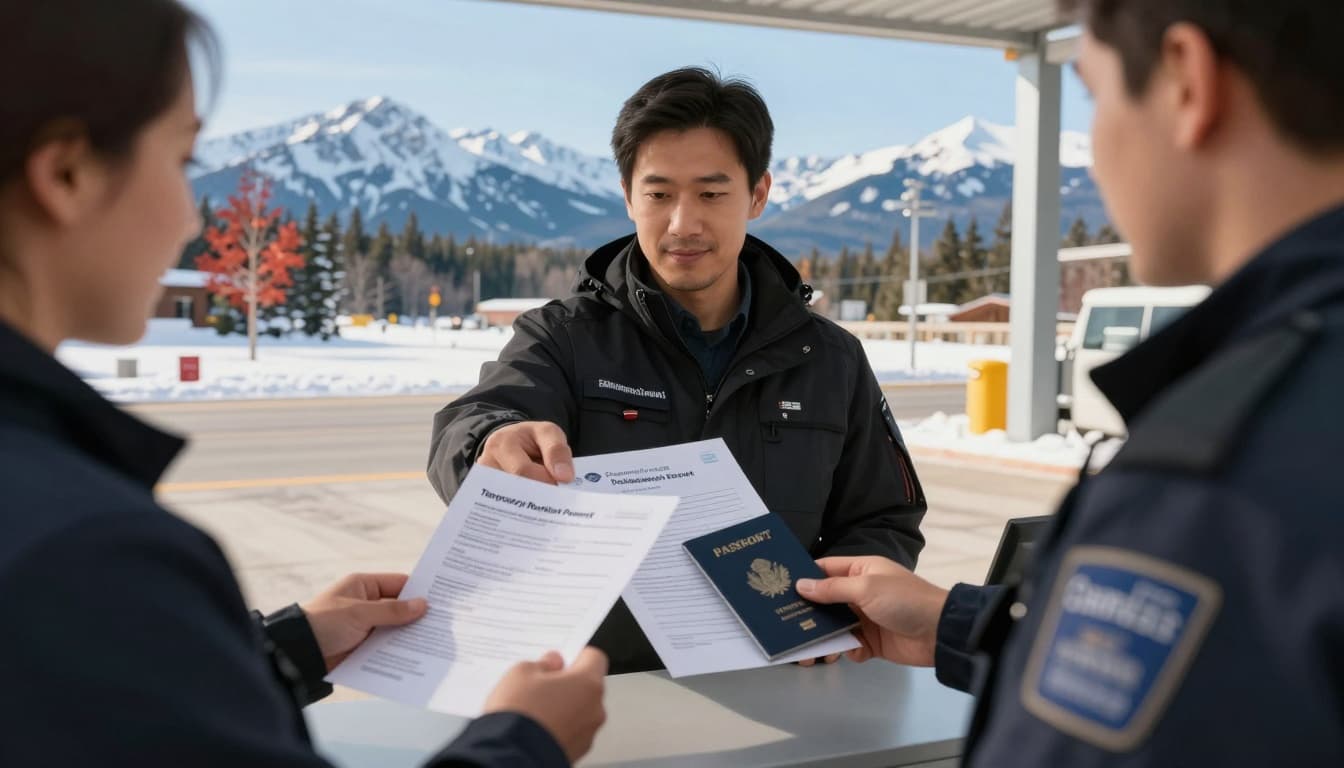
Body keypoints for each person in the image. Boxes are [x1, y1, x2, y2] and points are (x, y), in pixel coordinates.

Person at [0, 1, 606, 765]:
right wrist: (528, 740)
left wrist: (283, 648)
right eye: (183, 162)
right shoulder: (86, 551)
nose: (191, 217)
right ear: (66, 174)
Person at [796, 0, 1344, 764]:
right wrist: (962, 623)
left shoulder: (1221, 475)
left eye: (1095, 95)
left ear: (1188, 81)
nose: (1097, 157)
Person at [428, 67, 928, 674]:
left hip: (781, 685)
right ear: (627, 194)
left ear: (758, 194)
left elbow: (883, 517)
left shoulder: (830, 358)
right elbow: (475, 420)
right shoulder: (563, 335)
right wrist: (491, 442)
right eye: (659, 194)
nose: (682, 224)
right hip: (600, 692)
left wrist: (836, 610)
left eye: (712, 194)